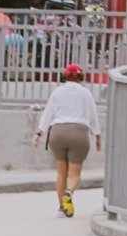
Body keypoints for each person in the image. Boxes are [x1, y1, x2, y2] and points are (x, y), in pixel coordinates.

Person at [36, 64, 98, 218]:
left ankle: (61, 209)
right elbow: (93, 116)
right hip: (79, 133)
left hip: (58, 132)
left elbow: (48, 113)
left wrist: (39, 132)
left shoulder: (57, 92)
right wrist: (98, 135)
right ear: (81, 76)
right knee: (74, 174)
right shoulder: (86, 93)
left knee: (61, 173)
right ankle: (69, 193)